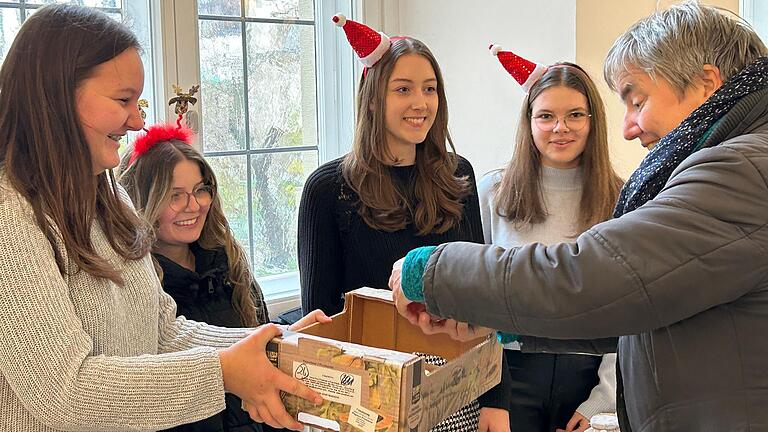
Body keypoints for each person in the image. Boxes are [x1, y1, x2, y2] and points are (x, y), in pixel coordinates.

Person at [389, 2, 768, 431]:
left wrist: (435, 271)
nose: (629, 127)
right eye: (546, 116)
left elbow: (596, 276)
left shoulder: (739, 170)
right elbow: (642, 310)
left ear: (706, 85)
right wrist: (494, 320)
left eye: (638, 100)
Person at [0, 5, 323, 431]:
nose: (136, 120)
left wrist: (265, 346)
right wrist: (223, 371)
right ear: (55, 97)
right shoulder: (11, 218)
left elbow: (161, 332)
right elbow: (67, 392)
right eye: (123, 100)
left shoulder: (110, 195)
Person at [297, 15, 508, 432]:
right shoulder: (329, 191)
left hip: (456, 389)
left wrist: (495, 399)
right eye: (403, 89)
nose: (421, 103)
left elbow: (484, 294)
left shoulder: (457, 174)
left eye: (429, 89)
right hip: (370, 397)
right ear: (373, 99)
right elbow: (321, 322)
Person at [118, 124, 331, 432]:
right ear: (144, 202)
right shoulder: (139, 285)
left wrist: (284, 337)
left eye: (200, 190)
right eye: (174, 196)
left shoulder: (228, 263)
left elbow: (257, 348)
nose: (194, 205)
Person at [480, 47, 622, 432]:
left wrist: (602, 400)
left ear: (593, 121)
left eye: (574, 115)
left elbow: (626, 309)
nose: (561, 128)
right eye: (546, 116)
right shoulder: (493, 191)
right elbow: (475, 299)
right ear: (529, 122)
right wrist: (489, 396)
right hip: (509, 376)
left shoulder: (620, 198)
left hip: (587, 376)